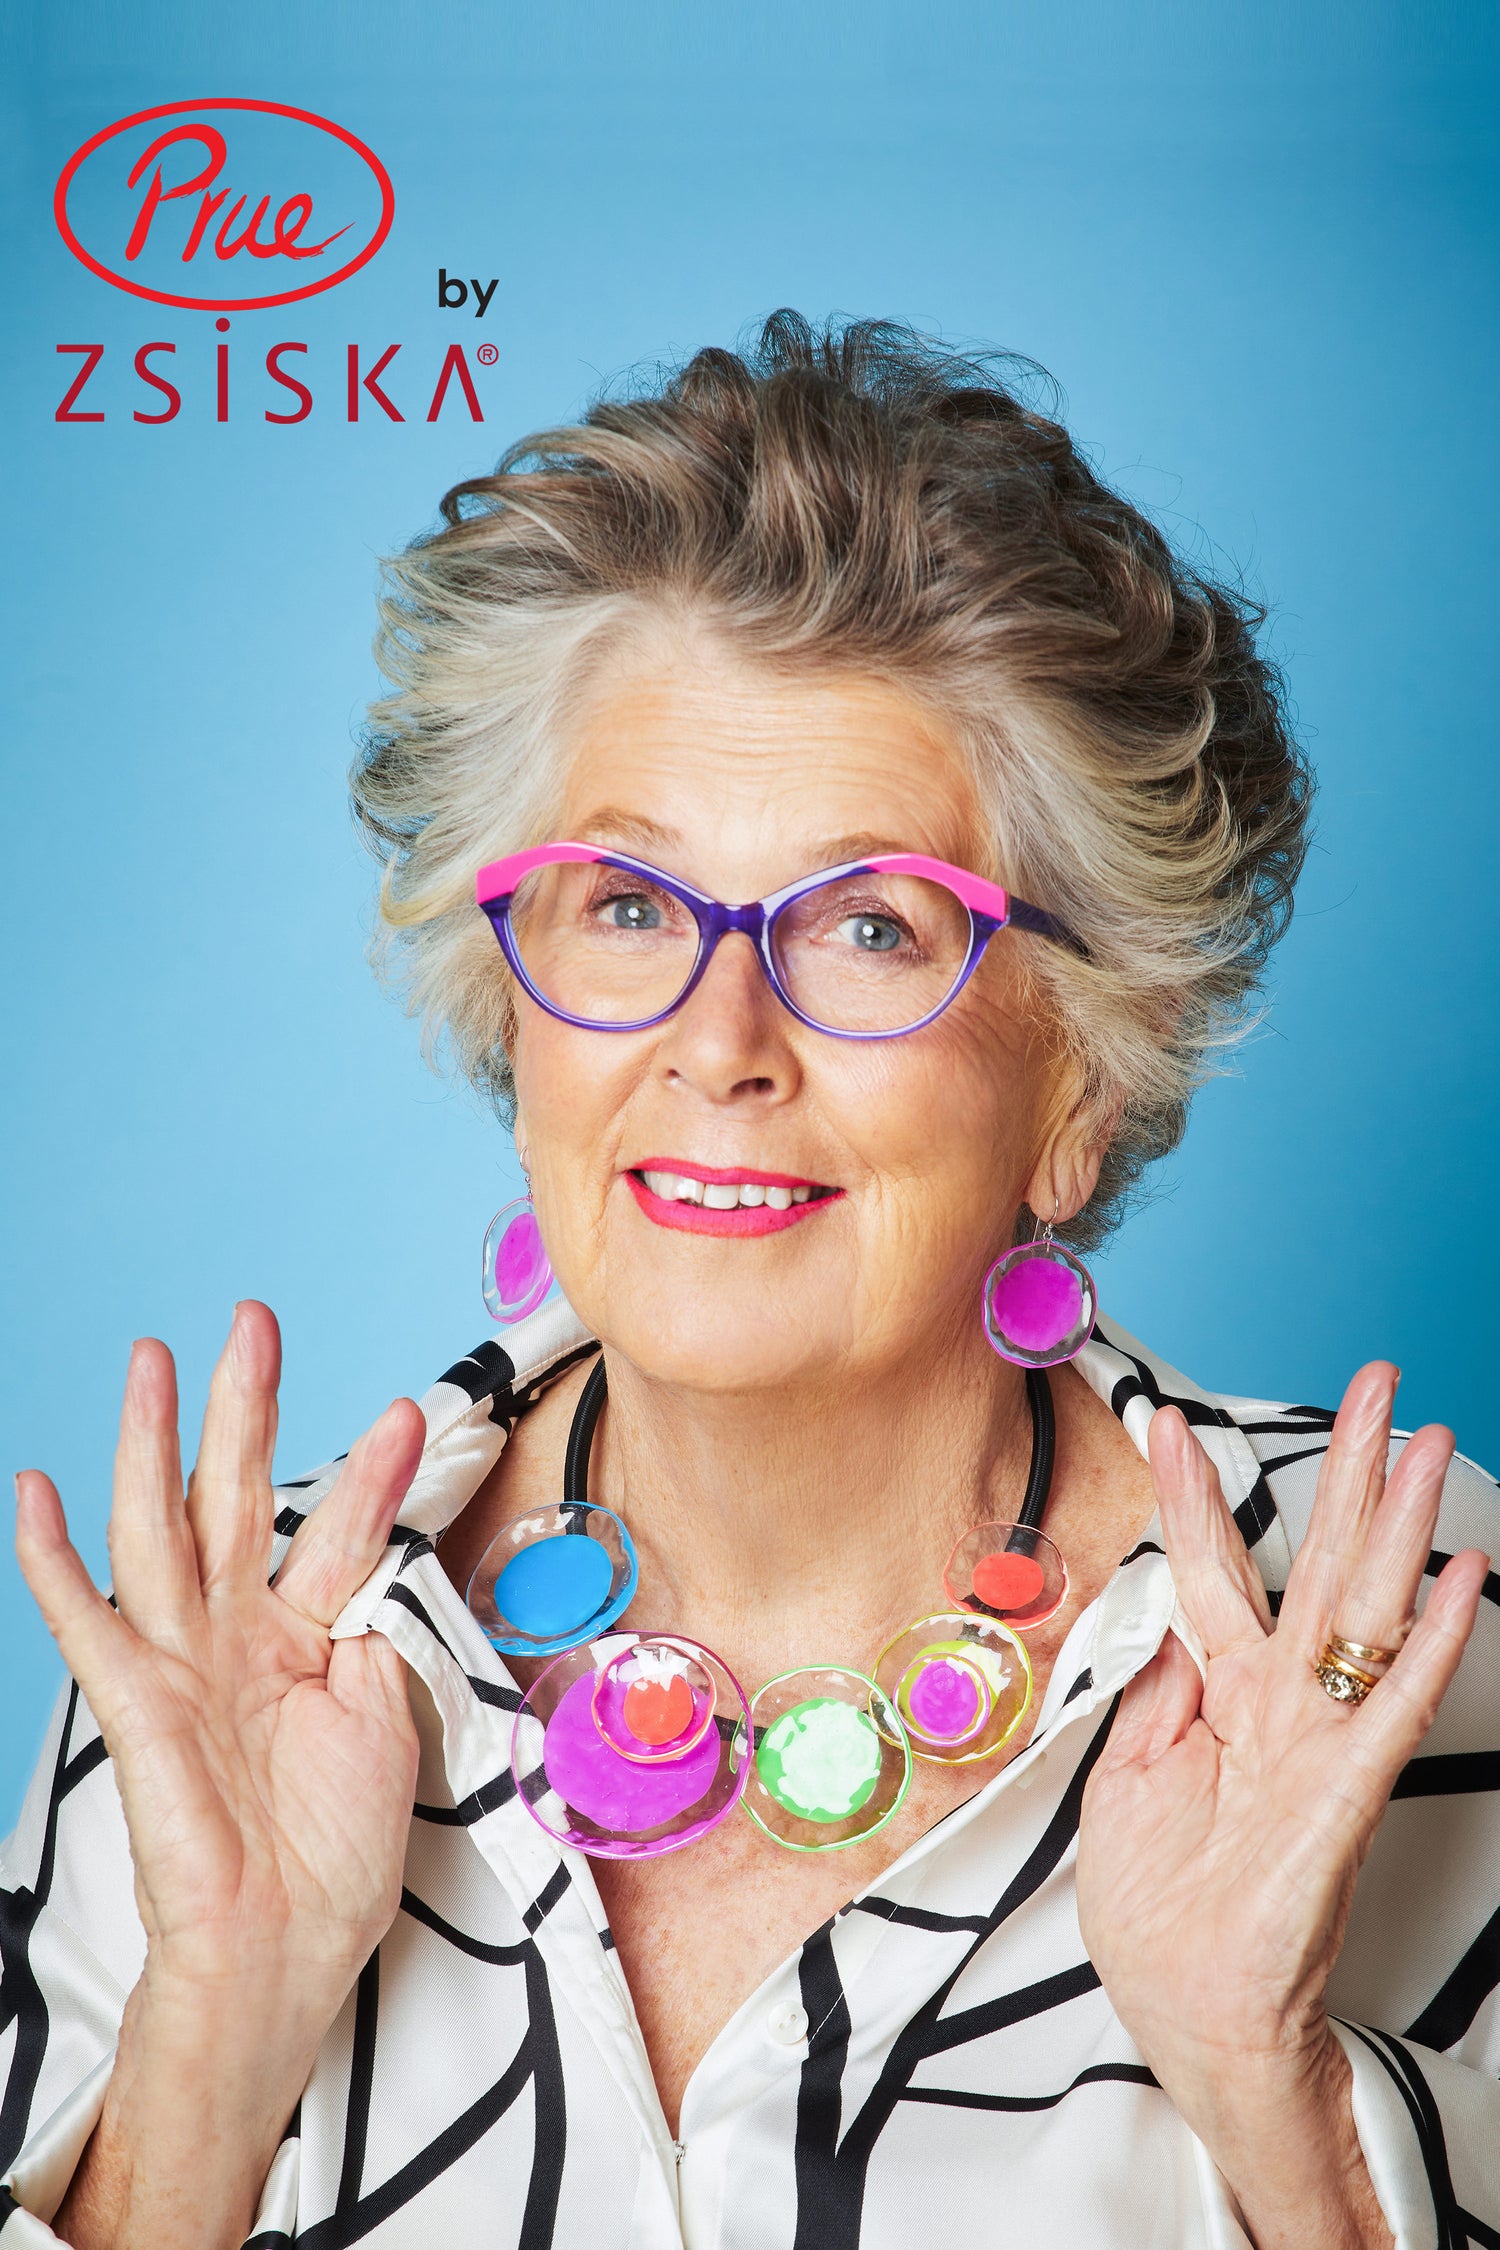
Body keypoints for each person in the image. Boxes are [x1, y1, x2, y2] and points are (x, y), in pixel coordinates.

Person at [3, 314, 1497, 2250]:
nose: (719, 1042)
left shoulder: (1394, 1635)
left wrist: (1285, 2108)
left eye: (872, 926)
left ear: (1083, 1081)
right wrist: (210, 2038)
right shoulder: (225, 1651)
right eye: (630, 905)